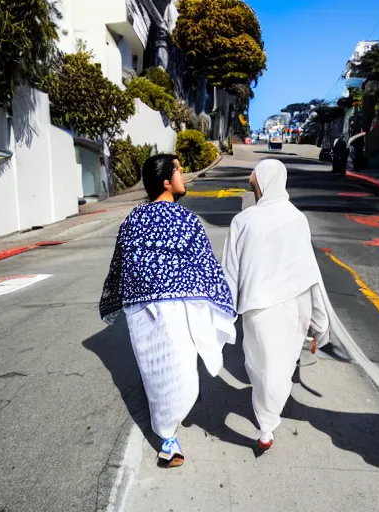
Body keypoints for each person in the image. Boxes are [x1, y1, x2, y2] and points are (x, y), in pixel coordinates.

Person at [100, 154, 237, 468]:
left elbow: (204, 265)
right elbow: (124, 263)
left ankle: (167, 429)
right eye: (178, 170)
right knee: (157, 375)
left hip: (177, 309)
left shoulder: (184, 219)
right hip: (145, 312)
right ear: (165, 181)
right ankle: (167, 438)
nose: (183, 174)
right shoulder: (135, 219)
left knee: (184, 377)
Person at [222, 159, 330, 452]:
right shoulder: (297, 218)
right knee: (279, 368)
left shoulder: (243, 221)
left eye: (254, 180)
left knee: (261, 368)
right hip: (297, 306)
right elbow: (311, 274)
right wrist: (318, 323)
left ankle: (266, 426)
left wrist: (223, 315)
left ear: (263, 182)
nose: (251, 183)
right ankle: (268, 420)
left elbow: (230, 272)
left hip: (260, 308)